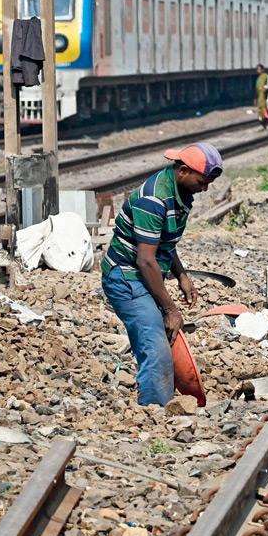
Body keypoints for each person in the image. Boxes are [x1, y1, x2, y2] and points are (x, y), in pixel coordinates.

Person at [101, 143, 222, 406]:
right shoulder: (153, 200)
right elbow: (145, 260)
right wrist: (171, 309)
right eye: (202, 181)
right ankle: (154, 413)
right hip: (127, 277)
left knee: (163, 338)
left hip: (144, 275)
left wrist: (182, 275)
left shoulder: (179, 193)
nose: (205, 188)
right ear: (182, 171)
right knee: (156, 346)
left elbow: (163, 241)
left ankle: (160, 398)